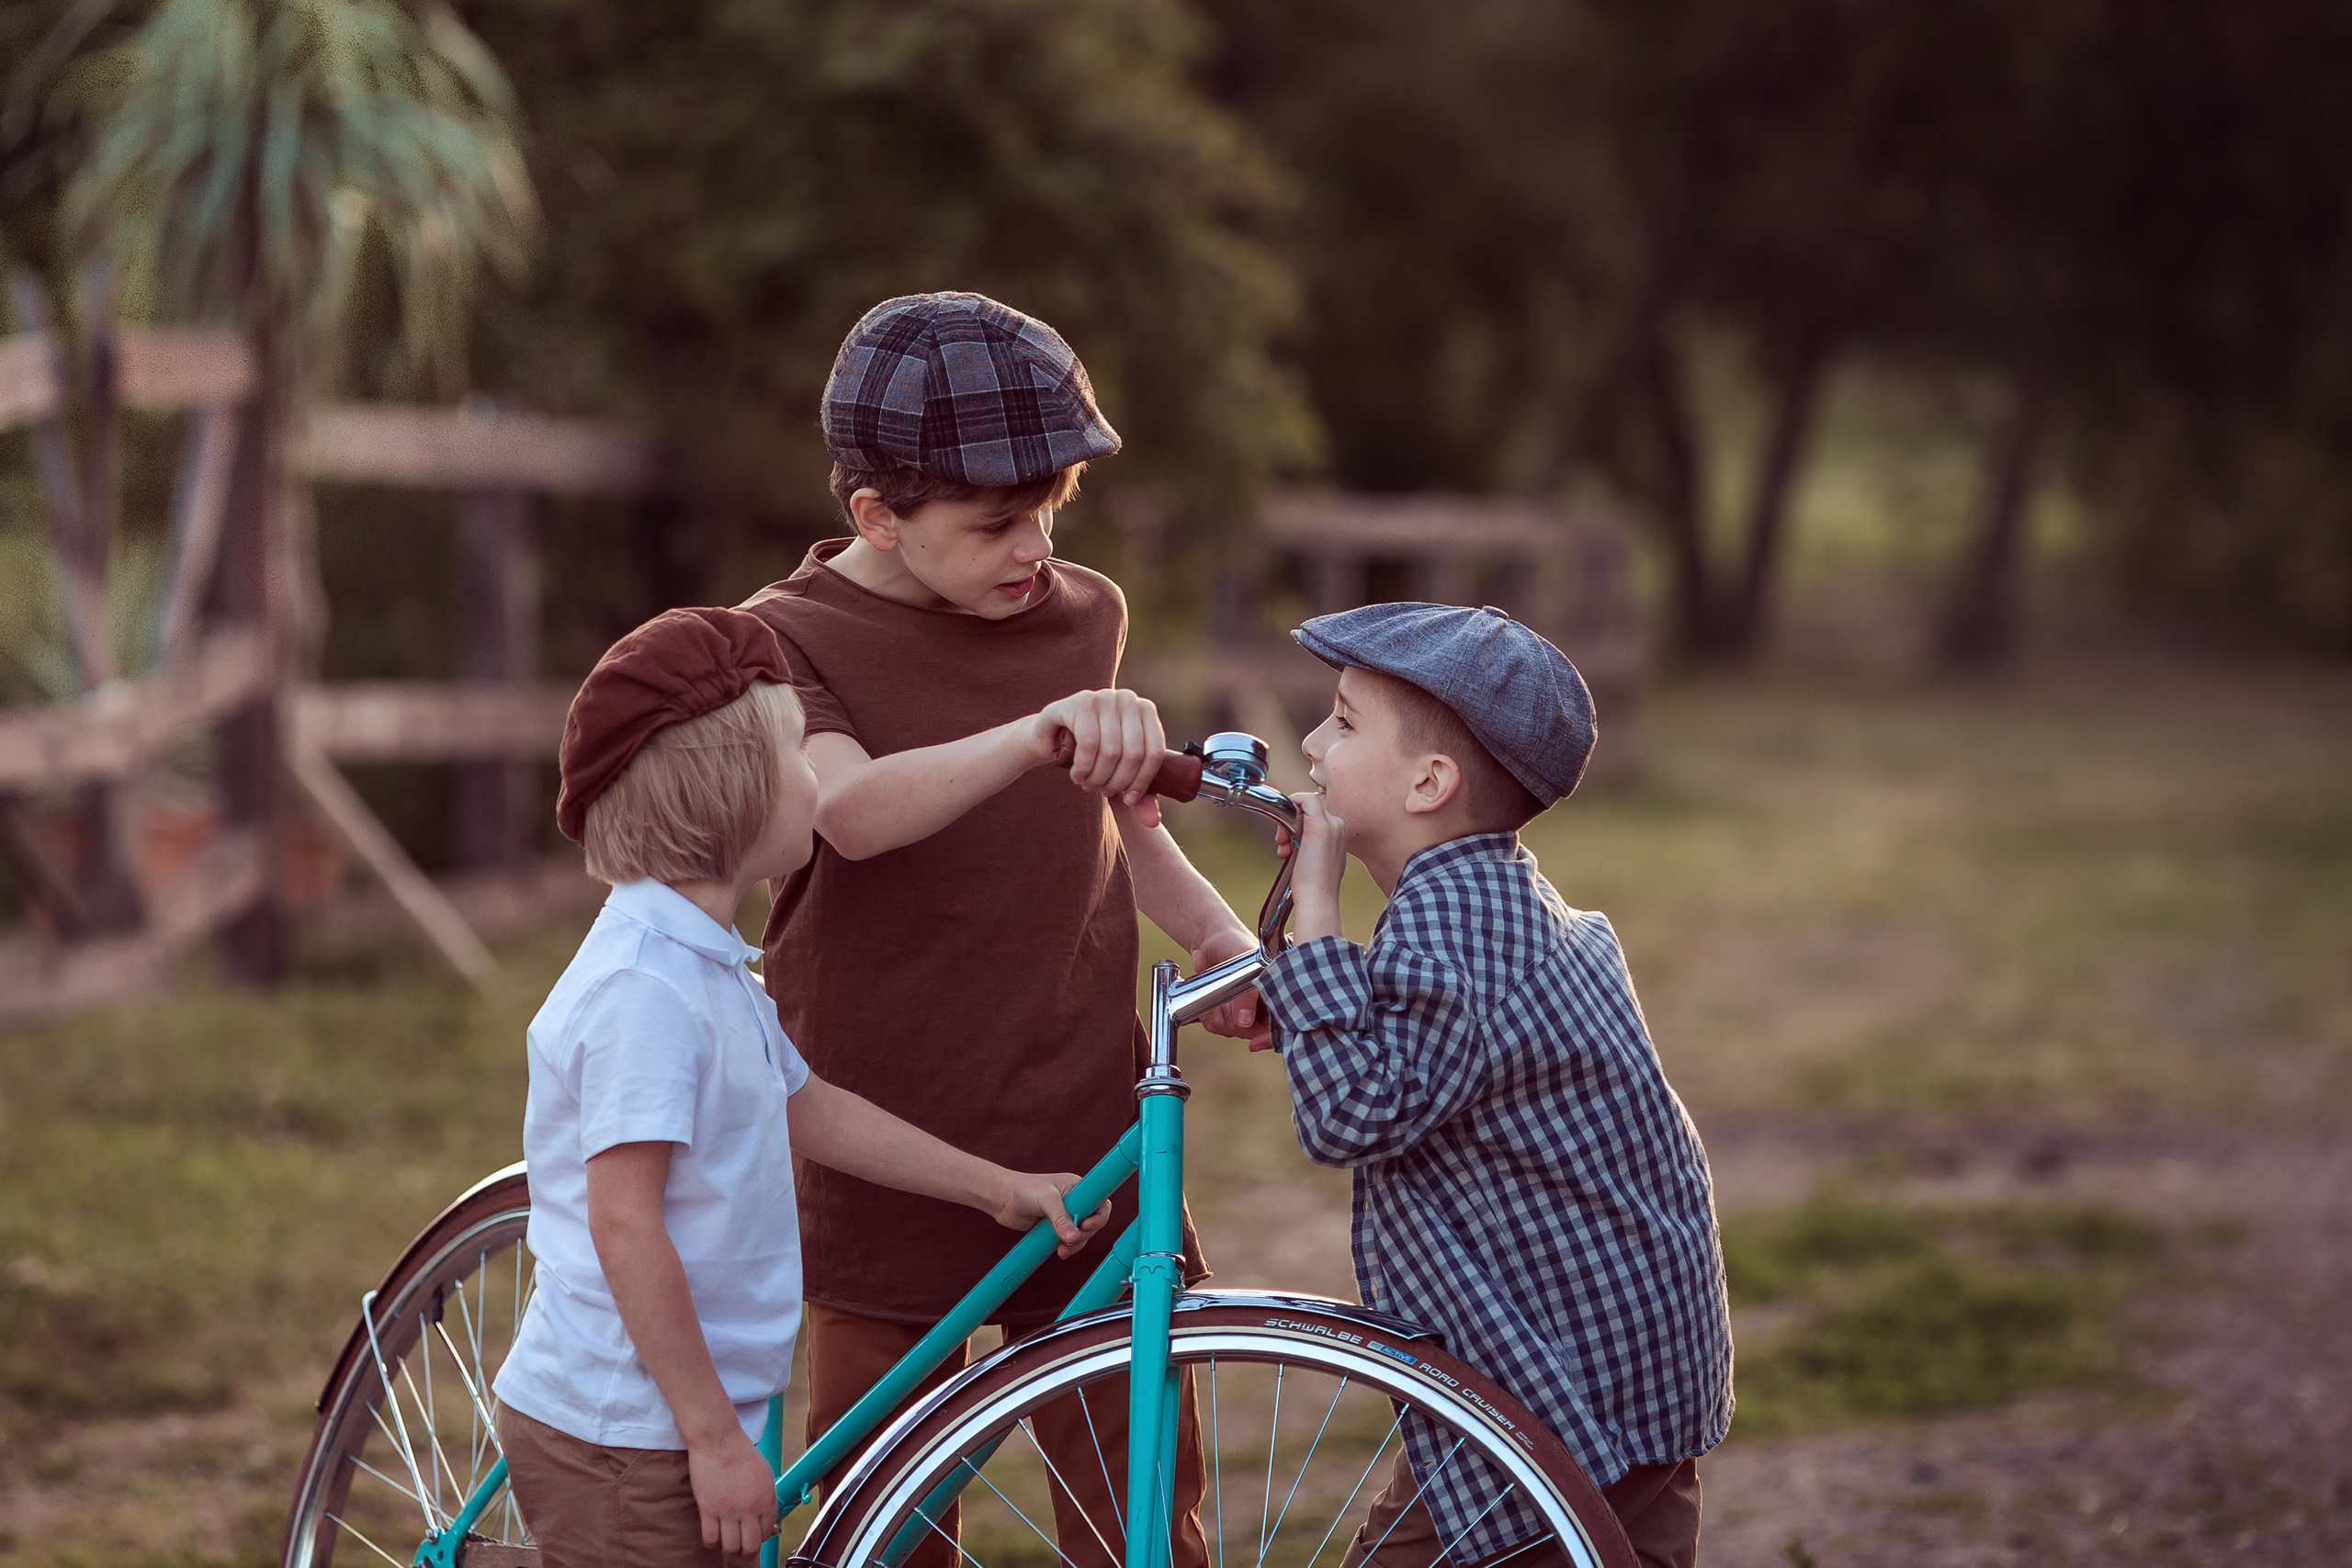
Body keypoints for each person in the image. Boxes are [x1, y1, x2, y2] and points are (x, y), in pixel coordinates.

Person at [737, 292, 1254, 1568]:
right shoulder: (785, 637)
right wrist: (1035, 732)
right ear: (877, 516)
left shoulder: (1081, 615)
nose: (1035, 545)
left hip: (1082, 1118)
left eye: (1052, 511)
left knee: (1144, 1518)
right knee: (884, 1518)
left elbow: (1120, 832)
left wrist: (1225, 947)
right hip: (886, 1135)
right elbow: (846, 811)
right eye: (997, 522)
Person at [491, 606, 1111, 1568]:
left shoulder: (709, 969)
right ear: (726, 797)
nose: (817, 779)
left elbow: (807, 1106)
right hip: (632, 1429)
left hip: (687, 1412)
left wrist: (996, 1186)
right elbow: (625, 1224)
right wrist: (709, 1439)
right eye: (795, 756)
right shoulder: (644, 993)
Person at [1252, 603, 1734, 1568]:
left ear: (1430, 782)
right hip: (1623, 1357)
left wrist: (1315, 909)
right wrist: (1308, 994)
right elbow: (1425, 1056)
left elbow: (1349, 1113)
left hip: (1563, 1374)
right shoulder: (1490, 897)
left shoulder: (1453, 930)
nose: (1310, 743)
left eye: (1344, 722)